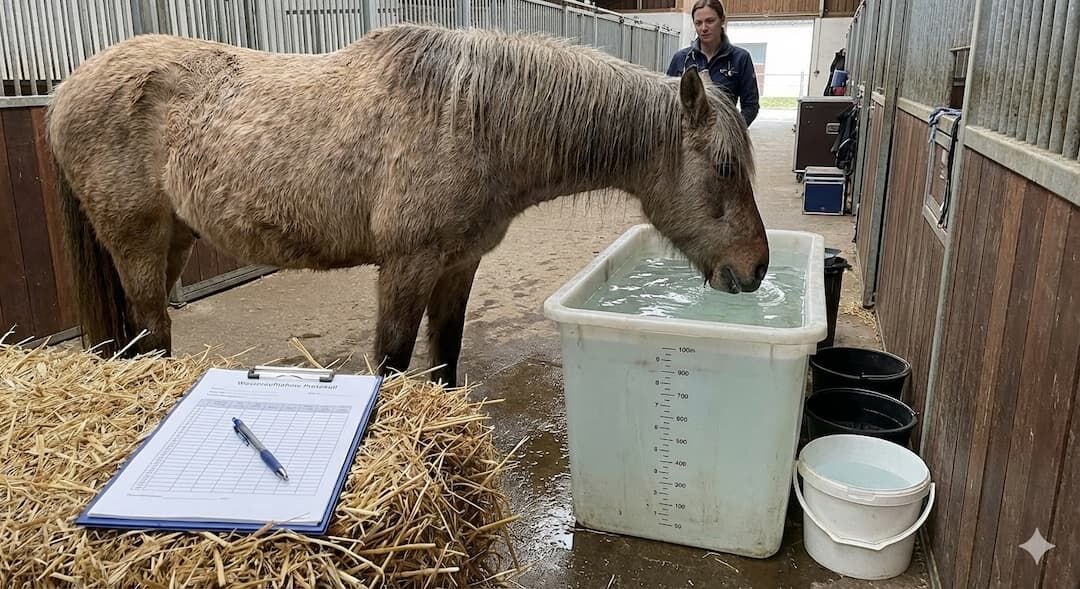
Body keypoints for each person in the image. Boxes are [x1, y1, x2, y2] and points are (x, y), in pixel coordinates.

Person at [666, 0, 760, 127]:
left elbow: (751, 105)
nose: (704, 28)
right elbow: (667, 102)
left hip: (723, 135)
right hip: (688, 135)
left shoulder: (740, 58)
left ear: (722, 20)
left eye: (710, 21)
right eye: (698, 23)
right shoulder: (681, 58)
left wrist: (733, 132)